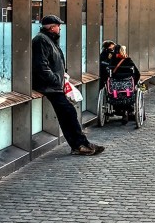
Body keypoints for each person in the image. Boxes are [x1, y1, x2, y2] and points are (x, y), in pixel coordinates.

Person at [32, 15, 104, 156]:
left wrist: (62, 77)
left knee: (69, 113)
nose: (60, 28)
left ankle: (83, 143)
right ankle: (79, 145)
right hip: (49, 86)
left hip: (53, 85)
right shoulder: (41, 40)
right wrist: (55, 80)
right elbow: (41, 66)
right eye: (58, 26)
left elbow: (54, 63)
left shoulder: (49, 40)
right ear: (52, 27)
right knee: (68, 113)